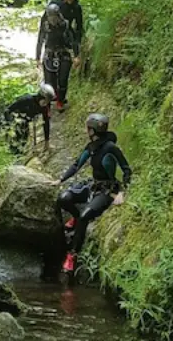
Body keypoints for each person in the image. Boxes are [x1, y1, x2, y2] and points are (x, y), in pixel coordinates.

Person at [55, 113, 131, 273]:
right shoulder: (91, 147)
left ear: (92, 130)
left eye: (87, 128)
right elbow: (77, 165)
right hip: (93, 186)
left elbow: (126, 170)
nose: (85, 130)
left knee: (85, 216)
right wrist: (60, 180)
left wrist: (122, 192)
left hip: (108, 190)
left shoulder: (111, 148)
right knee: (64, 199)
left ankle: (72, 255)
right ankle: (75, 218)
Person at [36, 3, 76, 111]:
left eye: (54, 16)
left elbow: (73, 40)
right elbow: (40, 41)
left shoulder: (65, 25)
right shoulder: (45, 26)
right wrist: (37, 57)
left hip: (64, 54)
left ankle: (60, 101)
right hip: (49, 55)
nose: (52, 19)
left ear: (59, 15)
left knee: (63, 80)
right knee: (50, 82)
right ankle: (48, 103)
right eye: (50, 17)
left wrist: (76, 55)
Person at [4, 83, 56, 150]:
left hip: (25, 121)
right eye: (45, 101)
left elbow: (46, 122)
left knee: (23, 141)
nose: (45, 104)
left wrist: (47, 142)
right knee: (18, 138)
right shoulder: (26, 100)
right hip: (16, 119)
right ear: (40, 97)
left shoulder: (45, 106)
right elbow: (7, 111)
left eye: (48, 102)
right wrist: (10, 125)